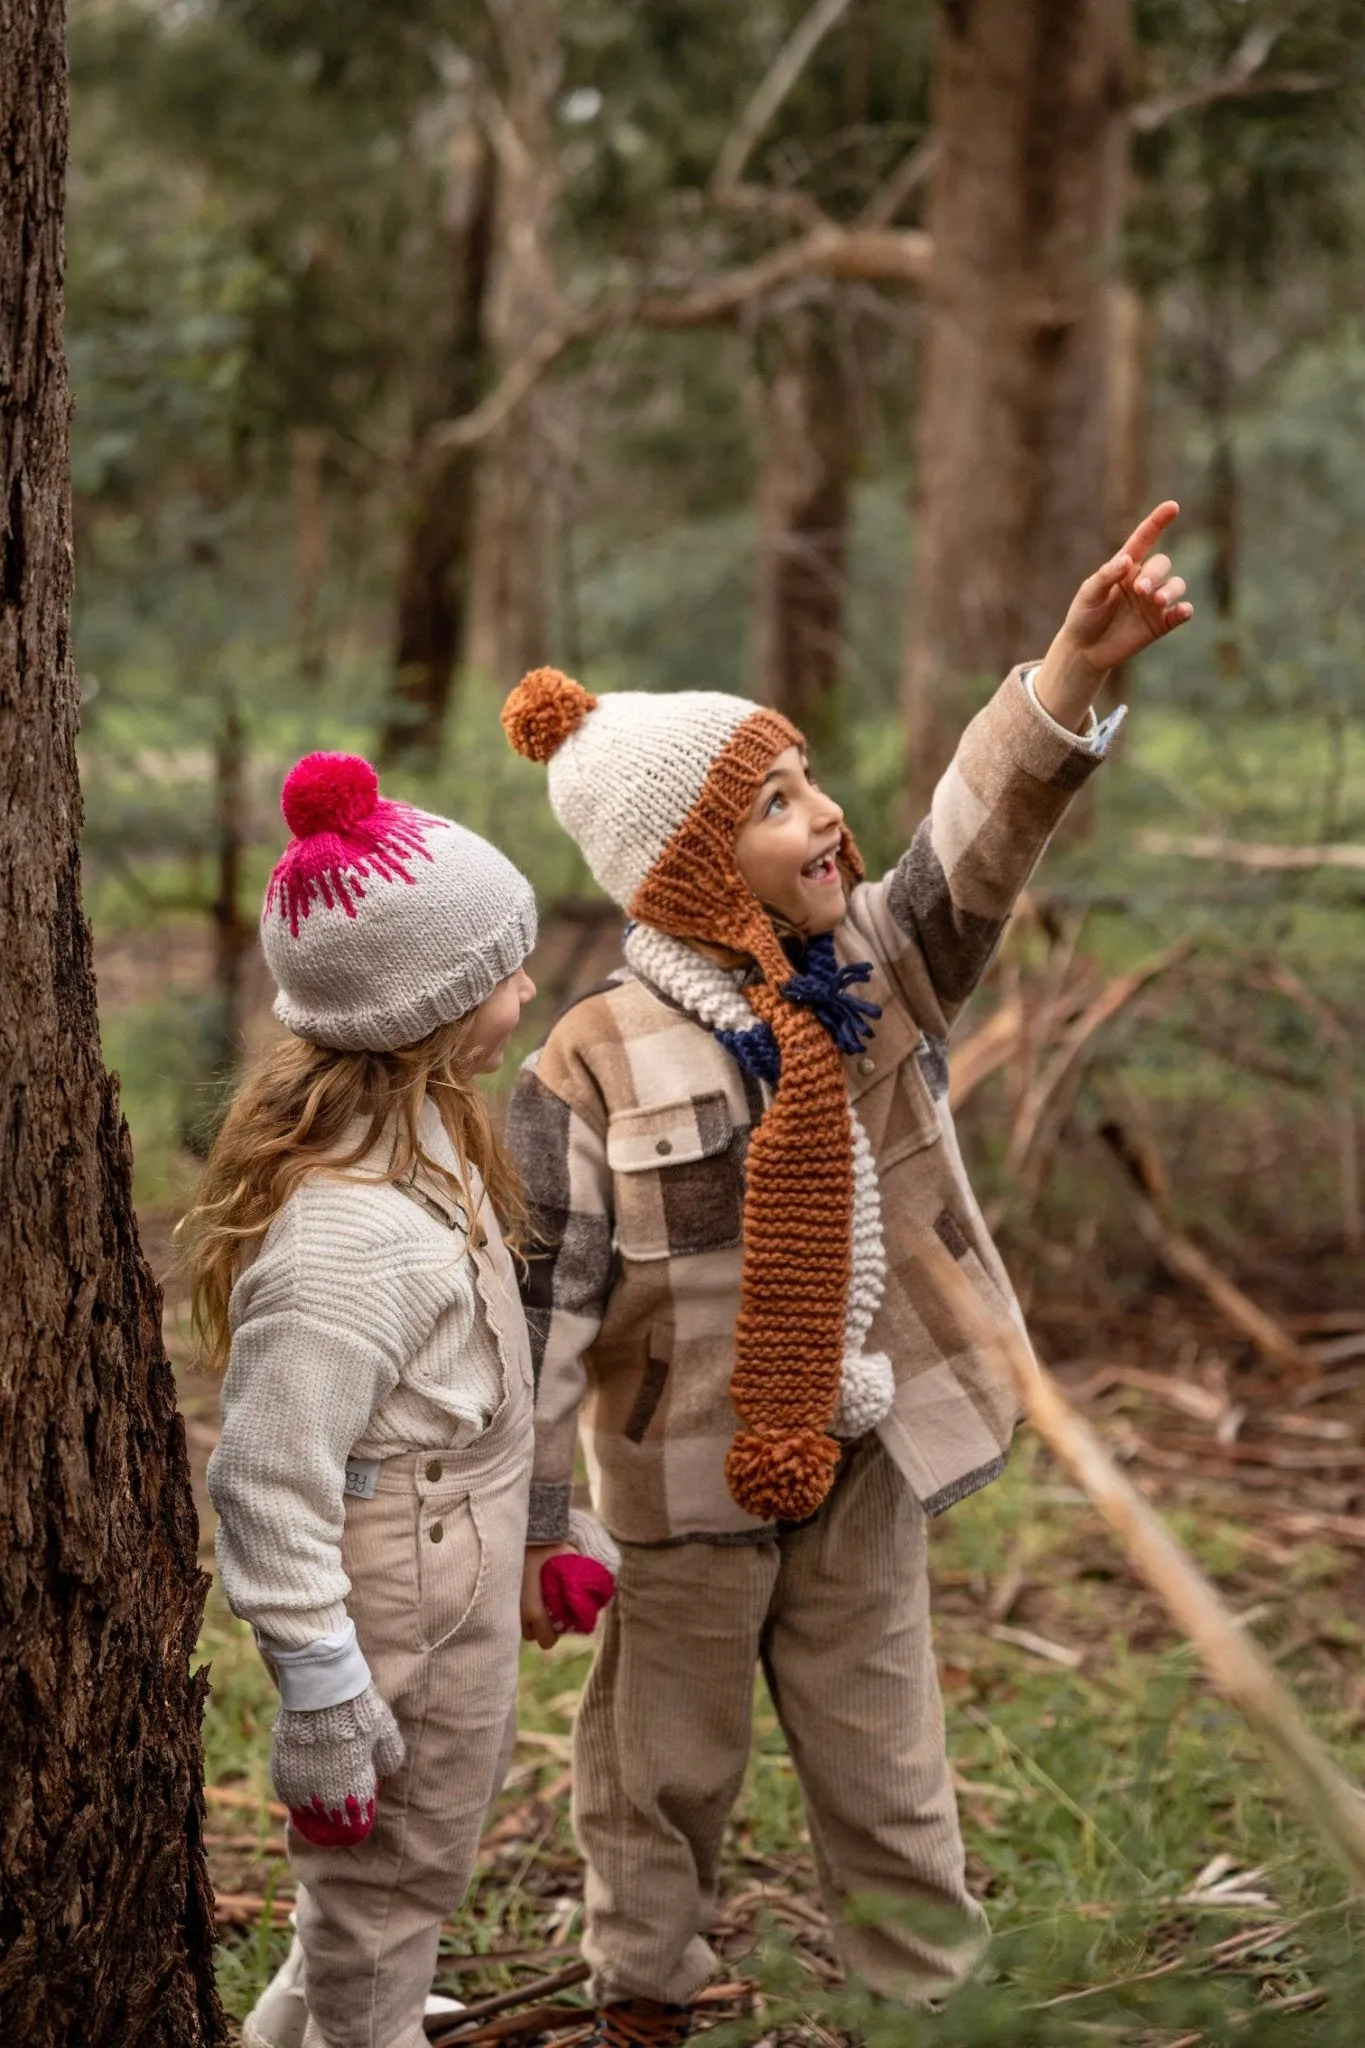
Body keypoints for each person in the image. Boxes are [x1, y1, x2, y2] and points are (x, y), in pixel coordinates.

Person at [500, 507, 1194, 2047]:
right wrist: (539, 1516)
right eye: (774, 803)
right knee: (653, 1770)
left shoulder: (874, 979)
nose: (825, 817)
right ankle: (643, 2000)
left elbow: (975, 841)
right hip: (677, 1495)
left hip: (864, 1459)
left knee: (891, 1767)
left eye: (811, 779)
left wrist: (1069, 670)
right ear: (687, 868)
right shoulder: (591, 1059)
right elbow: (538, 1307)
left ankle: (926, 2003)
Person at [185, 750, 547, 2048]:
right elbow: (267, 1479)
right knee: (385, 1886)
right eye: (504, 970)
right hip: (395, 1596)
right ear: (433, 1010)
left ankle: (325, 2012)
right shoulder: (344, 1238)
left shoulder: (431, 1136)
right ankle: (364, 2020)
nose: (529, 984)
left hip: (452, 1562)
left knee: (407, 1866)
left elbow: (494, 1371)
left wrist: (550, 1523)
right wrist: (327, 1695)